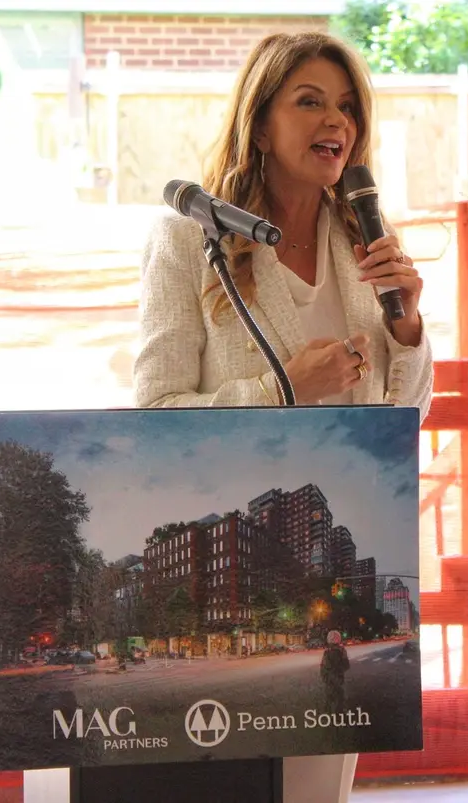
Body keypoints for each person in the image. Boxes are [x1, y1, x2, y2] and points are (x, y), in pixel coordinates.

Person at [134, 30, 433, 803]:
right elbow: (157, 412)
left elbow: (398, 424)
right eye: (309, 101)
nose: (335, 121)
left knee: (316, 791)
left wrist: (407, 332)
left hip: (338, 544)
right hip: (236, 531)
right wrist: (283, 388)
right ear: (261, 122)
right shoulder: (185, 239)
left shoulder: (363, 243)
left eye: (346, 107)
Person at [320, 630, 350, 712]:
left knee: (329, 697)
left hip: (329, 679)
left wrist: (325, 677)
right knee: (340, 697)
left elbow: (323, 666)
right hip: (338, 678)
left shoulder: (327, 652)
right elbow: (346, 665)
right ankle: (338, 714)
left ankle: (327, 713)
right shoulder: (342, 651)